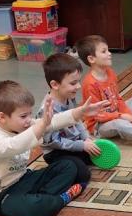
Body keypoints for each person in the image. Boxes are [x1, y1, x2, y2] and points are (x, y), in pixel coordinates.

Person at [0, 80, 107, 216]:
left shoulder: (22, 125)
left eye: (30, 114)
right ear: (2, 117)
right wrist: (42, 124)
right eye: (23, 116)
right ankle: (61, 199)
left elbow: (53, 122)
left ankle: (45, 199)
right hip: (3, 194)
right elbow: (15, 145)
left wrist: (80, 112)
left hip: (24, 178)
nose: (29, 120)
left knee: (69, 166)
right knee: (33, 209)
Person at [36, 53, 100, 186]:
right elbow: (54, 141)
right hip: (56, 152)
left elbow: (77, 120)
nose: (78, 86)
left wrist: (86, 138)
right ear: (55, 84)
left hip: (72, 144)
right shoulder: (47, 110)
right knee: (83, 174)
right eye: (73, 83)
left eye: (78, 81)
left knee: (97, 150)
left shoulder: (69, 97)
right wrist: (82, 145)